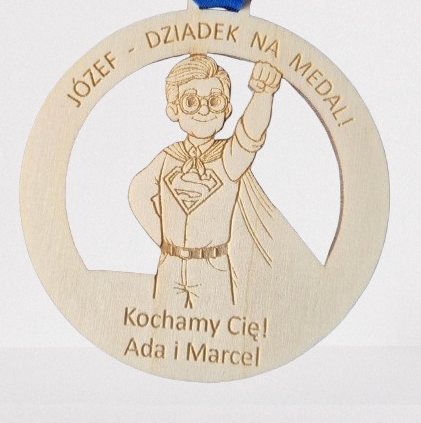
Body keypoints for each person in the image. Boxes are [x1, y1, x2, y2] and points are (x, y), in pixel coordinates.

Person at [129, 54, 309, 308]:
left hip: (211, 269)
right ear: (173, 109)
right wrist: (164, 242)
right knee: (164, 325)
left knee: (216, 325)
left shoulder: (228, 159)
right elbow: (138, 193)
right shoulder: (168, 158)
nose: (204, 110)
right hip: (170, 267)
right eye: (191, 101)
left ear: (227, 109)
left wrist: (263, 94)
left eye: (214, 101)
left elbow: (250, 135)